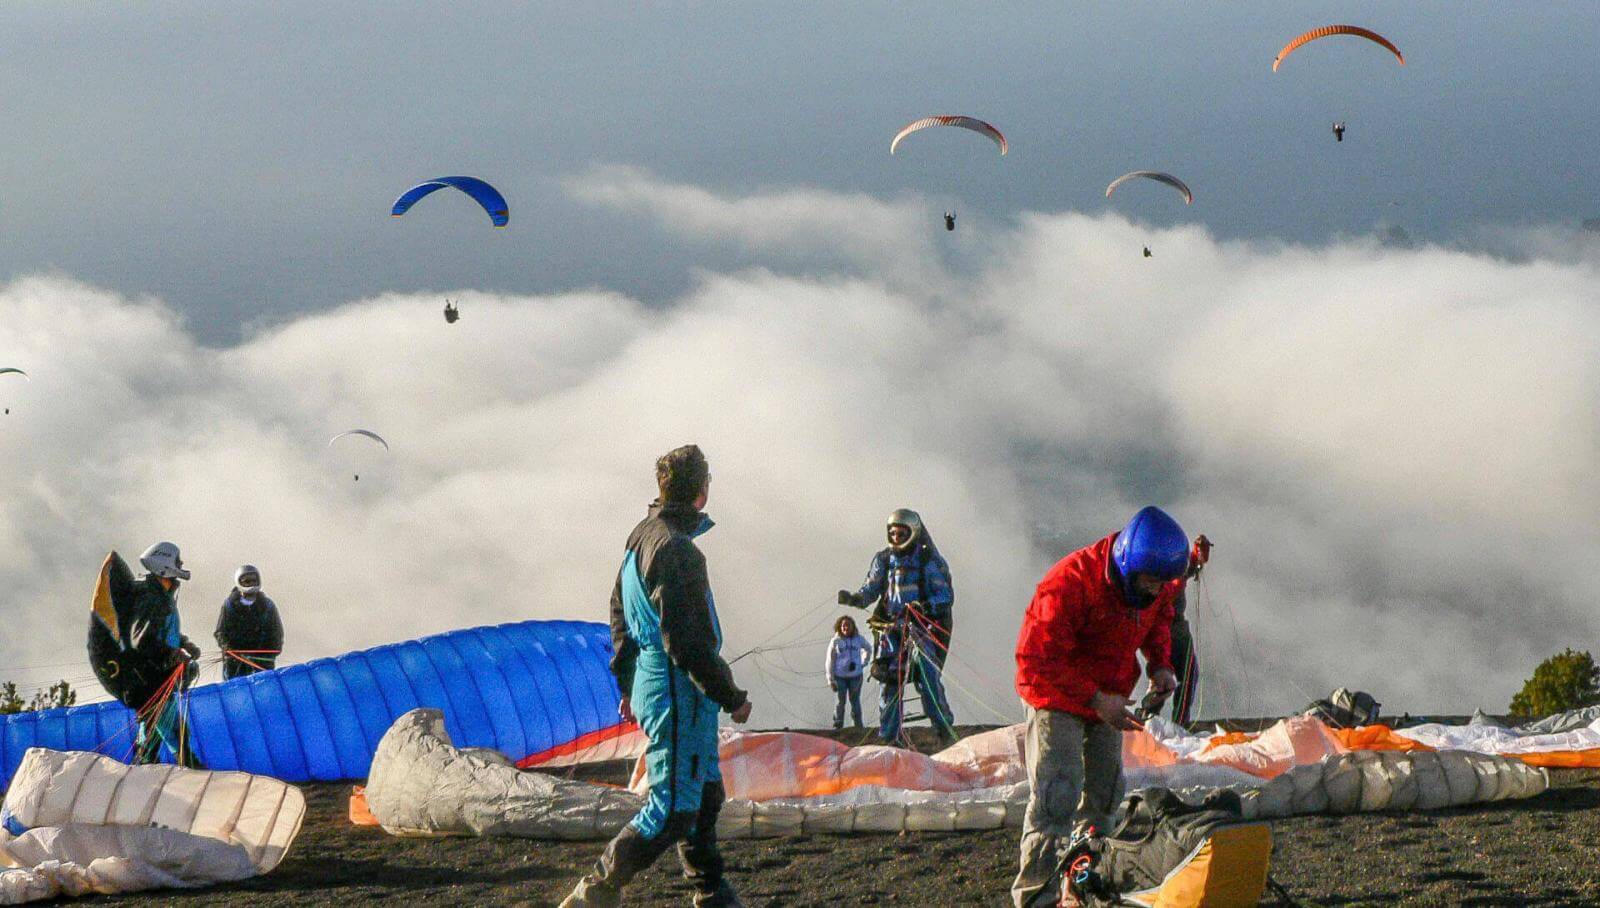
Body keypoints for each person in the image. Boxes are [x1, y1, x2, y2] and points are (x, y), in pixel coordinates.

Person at [561, 445, 752, 908]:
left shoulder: (641, 536)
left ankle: (711, 892)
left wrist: (626, 682)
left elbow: (617, 613)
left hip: (661, 685)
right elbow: (686, 642)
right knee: (671, 809)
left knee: (705, 795)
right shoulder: (677, 550)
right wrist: (731, 696)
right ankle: (595, 893)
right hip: (676, 693)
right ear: (702, 493)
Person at [1011, 506, 1190, 908]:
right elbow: (1035, 659)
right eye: (1149, 581)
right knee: (1057, 796)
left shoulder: (1157, 588)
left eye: (1162, 583)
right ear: (1129, 564)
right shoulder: (1069, 583)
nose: (1154, 590)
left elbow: (1157, 618)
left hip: (1109, 694)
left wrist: (1160, 664)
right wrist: (1093, 698)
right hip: (1053, 693)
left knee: (1105, 796)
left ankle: (1081, 885)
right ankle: (1036, 897)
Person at [838, 508, 956, 746]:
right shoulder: (884, 560)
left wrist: (924, 607)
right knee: (889, 683)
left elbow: (945, 595)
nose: (896, 539)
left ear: (913, 533)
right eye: (892, 534)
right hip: (891, 632)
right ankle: (890, 736)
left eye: (901, 534)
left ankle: (944, 728)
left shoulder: (928, 561)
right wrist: (855, 599)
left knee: (928, 678)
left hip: (921, 631)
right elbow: (870, 588)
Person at [87, 541, 203, 767]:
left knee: (152, 738)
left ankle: (142, 777)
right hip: (149, 682)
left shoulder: (158, 596)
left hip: (151, 682)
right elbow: (143, 641)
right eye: (176, 562)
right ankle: (194, 776)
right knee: (176, 737)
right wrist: (173, 656)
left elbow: (163, 633)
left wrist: (184, 644)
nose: (180, 567)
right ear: (165, 566)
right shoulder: (152, 598)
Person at [215, 564, 284, 680]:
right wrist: (230, 650)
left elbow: (276, 634)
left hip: (262, 663)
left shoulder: (268, 606)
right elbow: (220, 633)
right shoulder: (230, 606)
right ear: (239, 583)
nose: (251, 584)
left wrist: (269, 654)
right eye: (247, 581)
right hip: (235, 663)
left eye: (253, 581)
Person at [825, 615, 871, 730]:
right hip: (840, 677)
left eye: (848, 625)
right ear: (840, 627)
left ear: (852, 626)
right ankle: (837, 725)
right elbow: (830, 660)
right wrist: (830, 679)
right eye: (843, 625)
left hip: (855, 676)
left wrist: (863, 663)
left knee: (855, 701)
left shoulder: (859, 639)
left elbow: (868, 649)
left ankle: (858, 725)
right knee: (840, 702)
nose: (846, 628)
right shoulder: (835, 641)